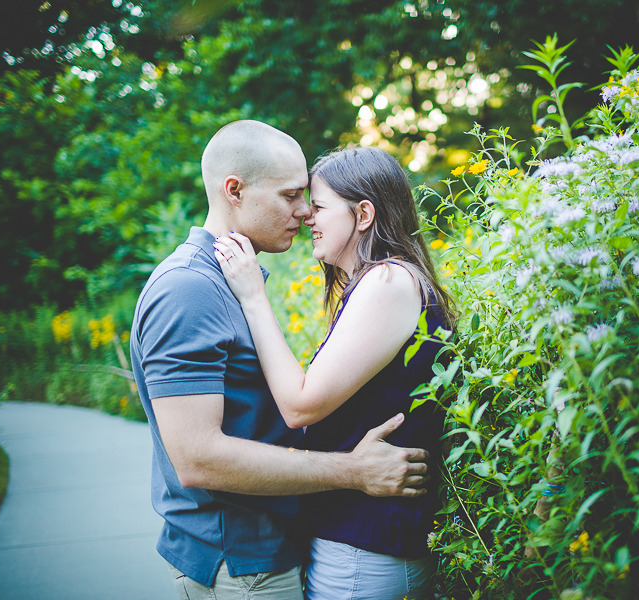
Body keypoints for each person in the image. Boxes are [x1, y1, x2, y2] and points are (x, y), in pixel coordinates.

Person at [130, 121, 430, 600]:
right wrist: (352, 470)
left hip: (274, 550)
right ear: (235, 191)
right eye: (290, 196)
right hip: (240, 560)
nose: (304, 210)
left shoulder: (228, 281)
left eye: (310, 198)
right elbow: (198, 459)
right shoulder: (189, 290)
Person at [212, 146, 457, 600]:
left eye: (319, 206)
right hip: (360, 546)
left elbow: (300, 405)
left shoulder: (388, 282)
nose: (307, 216)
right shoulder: (379, 283)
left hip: (365, 550)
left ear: (363, 214)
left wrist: (253, 296)